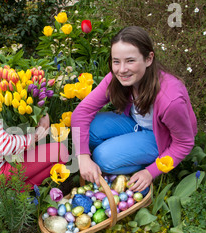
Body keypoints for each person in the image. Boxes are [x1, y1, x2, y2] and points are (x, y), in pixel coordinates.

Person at [71, 26, 197, 193]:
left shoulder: (170, 100)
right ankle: (125, 154)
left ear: (149, 58)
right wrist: (83, 157)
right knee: (91, 129)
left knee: (102, 157)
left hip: (161, 138)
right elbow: (81, 112)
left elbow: (184, 143)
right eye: (116, 61)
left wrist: (150, 172)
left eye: (130, 60)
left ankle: (138, 164)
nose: (122, 69)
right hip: (135, 124)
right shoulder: (118, 78)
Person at [0, 25, 68, 194]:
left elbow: (27, 96)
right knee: (61, 152)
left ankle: (11, 191)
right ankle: (6, 194)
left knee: (52, 151)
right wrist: (37, 135)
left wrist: (42, 114)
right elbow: (4, 146)